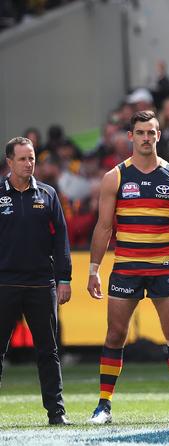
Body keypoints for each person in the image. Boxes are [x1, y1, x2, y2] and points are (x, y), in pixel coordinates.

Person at [86, 111, 169, 424]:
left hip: (164, 267)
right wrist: (93, 268)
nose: (146, 138)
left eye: (151, 133)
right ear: (130, 136)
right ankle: (103, 406)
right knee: (115, 335)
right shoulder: (115, 177)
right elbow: (103, 228)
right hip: (126, 267)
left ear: (159, 135)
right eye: (140, 132)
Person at [0, 137, 72, 425]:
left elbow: (61, 240)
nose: (29, 163)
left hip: (42, 285)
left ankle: (57, 412)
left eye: (31, 158)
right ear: (9, 162)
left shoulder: (48, 194)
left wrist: (64, 278)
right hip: (4, 284)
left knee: (48, 351)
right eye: (22, 159)